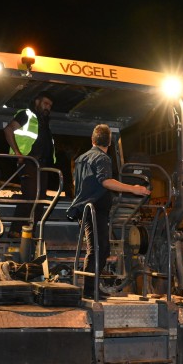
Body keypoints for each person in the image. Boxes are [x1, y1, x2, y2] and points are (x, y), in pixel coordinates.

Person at [69, 124, 151, 296]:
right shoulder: (102, 158)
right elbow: (106, 181)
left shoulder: (81, 159)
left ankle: (91, 288)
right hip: (95, 209)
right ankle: (90, 290)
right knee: (99, 249)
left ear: (92, 140)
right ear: (109, 143)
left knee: (99, 249)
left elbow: (76, 183)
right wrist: (134, 189)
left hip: (84, 208)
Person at [4, 92, 56, 217]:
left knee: (40, 200)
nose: (48, 107)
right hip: (29, 162)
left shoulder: (44, 122)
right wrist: (18, 153)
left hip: (43, 166)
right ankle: (17, 227)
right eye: (45, 103)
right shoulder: (26, 115)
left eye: (50, 105)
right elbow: (8, 130)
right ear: (37, 102)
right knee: (30, 197)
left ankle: (32, 228)